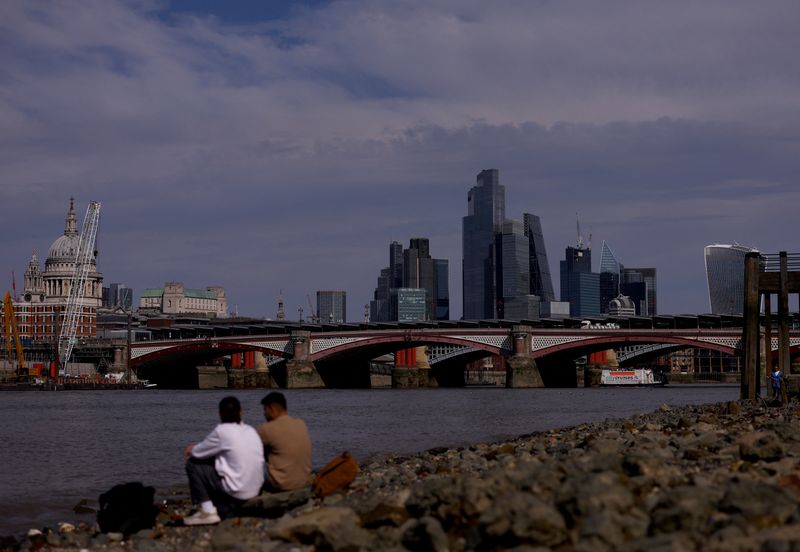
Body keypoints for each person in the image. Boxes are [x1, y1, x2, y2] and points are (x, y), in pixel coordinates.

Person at [182, 396, 265, 525]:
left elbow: (197, 453)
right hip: (255, 491)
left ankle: (208, 511)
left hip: (236, 493)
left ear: (220, 414)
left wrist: (192, 448)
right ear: (241, 412)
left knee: (193, 464)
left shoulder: (222, 431)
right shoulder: (251, 430)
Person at [257, 392, 312, 492]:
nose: (264, 414)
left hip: (280, 485)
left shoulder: (267, 429)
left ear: (272, 409)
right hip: (303, 482)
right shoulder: (301, 424)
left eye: (265, 410)